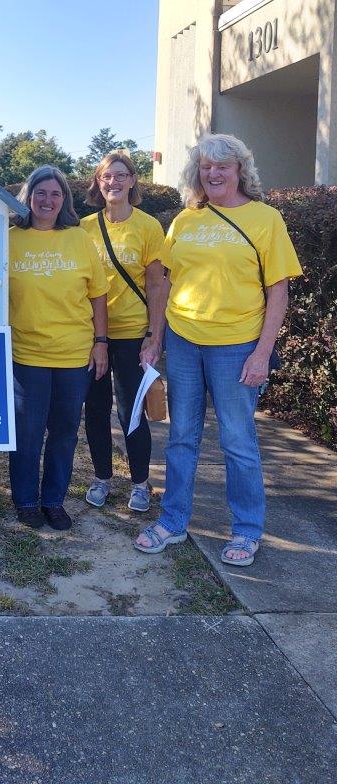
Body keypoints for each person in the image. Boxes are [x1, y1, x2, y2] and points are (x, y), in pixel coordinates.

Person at [134, 134, 302, 566]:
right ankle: (173, 522)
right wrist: (156, 339)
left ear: (240, 170)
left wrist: (262, 353)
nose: (214, 173)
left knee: (238, 442)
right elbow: (167, 283)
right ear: (197, 173)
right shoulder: (186, 220)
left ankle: (246, 530)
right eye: (206, 166)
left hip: (237, 345)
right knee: (180, 438)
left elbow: (278, 291)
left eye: (223, 166)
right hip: (186, 343)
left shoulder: (266, 219)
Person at [8, 165, 109, 531]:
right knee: (27, 433)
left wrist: (101, 343)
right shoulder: (9, 238)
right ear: (28, 197)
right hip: (26, 353)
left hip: (74, 353)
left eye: (55, 194)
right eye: (40, 193)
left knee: (65, 431)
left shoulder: (79, 239)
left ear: (64, 199)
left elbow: (98, 295)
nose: (47, 200)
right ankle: (25, 500)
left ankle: (54, 500)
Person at [81, 151, 165, 513]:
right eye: (105, 177)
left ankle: (141, 483)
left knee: (131, 411)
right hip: (91, 334)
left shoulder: (148, 227)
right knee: (95, 409)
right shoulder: (83, 228)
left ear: (132, 180)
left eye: (119, 175)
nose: (112, 182)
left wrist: (154, 335)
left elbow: (157, 286)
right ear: (98, 184)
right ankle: (102, 477)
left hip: (133, 332)